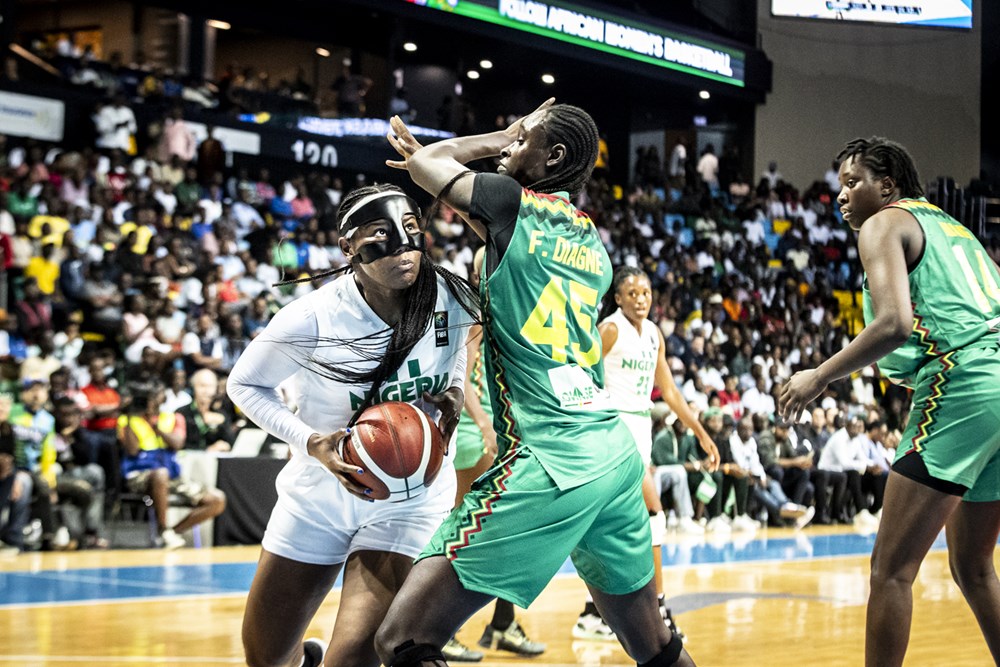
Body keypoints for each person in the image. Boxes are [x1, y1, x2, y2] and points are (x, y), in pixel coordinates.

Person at [379, 100, 716, 667]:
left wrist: (493, 135)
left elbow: (434, 162)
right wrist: (450, 170)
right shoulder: (592, 243)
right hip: (612, 458)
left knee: (402, 640)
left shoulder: (509, 204)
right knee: (656, 649)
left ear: (553, 155)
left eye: (524, 136)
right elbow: (485, 217)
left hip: (550, 457)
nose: (511, 143)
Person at [226, 183, 478, 667]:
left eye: (411, 230)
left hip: (408, 500)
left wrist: (456, 388)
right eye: (382, 234)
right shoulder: (312, 317)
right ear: (348, 247)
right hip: (320, 496)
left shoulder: (451, 295)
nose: (403, 246)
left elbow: (465, 343)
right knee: (265, 657)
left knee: (355, 659)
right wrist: (309, 441)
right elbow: (244, 386)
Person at [779, 136, 1000, 666]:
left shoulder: (885, 222)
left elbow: (895, 323)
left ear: (889, 185)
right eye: (839, 186)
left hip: (965, 377)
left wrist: (820, 376)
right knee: (973, 566)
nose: (842, 195)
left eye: (853, 182)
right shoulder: (956, 230)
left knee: (889, 571)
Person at [573, 266, 717, 641]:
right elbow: (582, 376)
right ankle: (660, 607)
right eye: (632, 293)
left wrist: (700, 432)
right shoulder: (609, 329)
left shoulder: (653, 335)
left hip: (641, 426)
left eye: (646, 293)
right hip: (614, 427)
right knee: (652, 514)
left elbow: (668, 390)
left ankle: (593, 613)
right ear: (618, 298)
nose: (641, 300)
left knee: (615, 524)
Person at [444, 246, 544, 661]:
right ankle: (439, 627)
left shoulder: (501, 308)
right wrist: (486, 425)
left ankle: (501, 624)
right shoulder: (476, 312)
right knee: (463, 533)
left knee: (501, 529)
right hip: (474, 432)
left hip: (494, 429)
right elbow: (460, 379)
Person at [118, 381, 226, 550]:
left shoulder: (172, 417)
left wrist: (156, 427)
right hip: (139, 475)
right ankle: (163, 528)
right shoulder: (127, 420)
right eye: (149, 398)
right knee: (160, 474)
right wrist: (132, 417)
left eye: (155, 397)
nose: (152, 401)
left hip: (171, 476)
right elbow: (132, 450)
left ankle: (171, 533)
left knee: (217, 500)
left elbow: (177, 443)